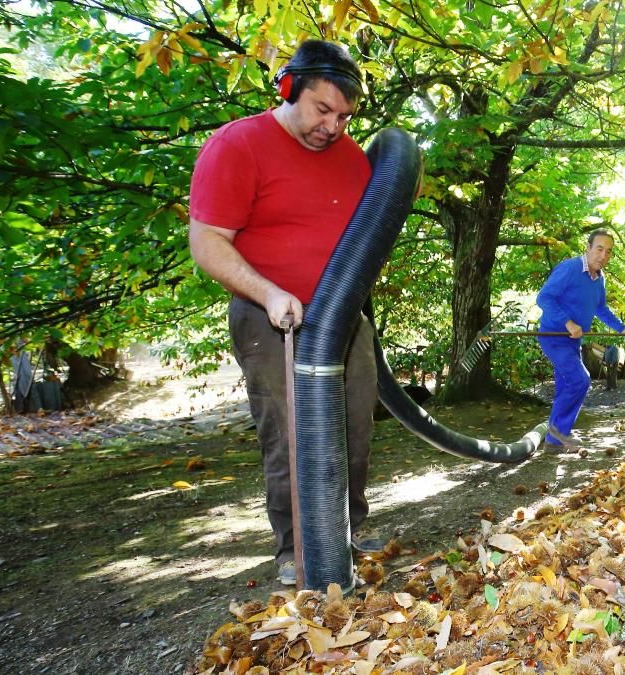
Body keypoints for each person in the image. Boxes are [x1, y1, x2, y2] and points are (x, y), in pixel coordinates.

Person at [187, 39, 382, 586]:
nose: (333, 126)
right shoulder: (238, 145)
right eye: (322, 109)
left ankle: (346, 533)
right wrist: (270, 292)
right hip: (270, 319)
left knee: (354, 427)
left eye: (345, 116)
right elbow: (208, 243)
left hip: (343, 315)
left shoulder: (350, 158)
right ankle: (298, 549)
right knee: (294, 435)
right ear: (289, 88)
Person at [536, 229, 625, 451]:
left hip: (572, 342)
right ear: (588, 248)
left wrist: (622, 328)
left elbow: (601, 309)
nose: (603, 255)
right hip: (553, 337)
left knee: (567, 385)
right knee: (580, 380)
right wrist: (568, 323)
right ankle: (558, 432)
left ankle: (554, 441)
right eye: (599, 249)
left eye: (608, 252)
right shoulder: (570, 268)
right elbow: (544, 298)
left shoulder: (599, 279)